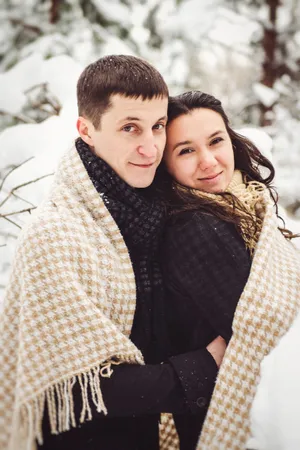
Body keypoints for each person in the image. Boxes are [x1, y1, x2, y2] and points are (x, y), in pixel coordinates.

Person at [0, 57, 226, 450]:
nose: (150, 146)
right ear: (86, 130)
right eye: (129, 128)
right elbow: (77, 388)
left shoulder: (159, 212)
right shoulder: (57, 236)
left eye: (157, 127)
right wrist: (205, 367)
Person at [156, 90, 300, 449]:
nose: (208, 162)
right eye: (186, 150)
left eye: (215, 141)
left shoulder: (240, 207)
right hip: (237, 414)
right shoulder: (195, 227)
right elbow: (273, 330)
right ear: (166, 165)